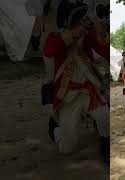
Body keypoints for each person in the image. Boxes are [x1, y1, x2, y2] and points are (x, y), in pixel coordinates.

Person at [42, 1, 109, 163]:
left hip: (89, 92)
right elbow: (49, 51)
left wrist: (100, 31)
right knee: (66, 148)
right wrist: (72, 34)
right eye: (78, 19)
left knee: (105, 116)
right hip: (68, 96)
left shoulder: (87, 36)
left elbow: (105, 52)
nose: (82, 22)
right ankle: (56, 129)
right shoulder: (56, 37)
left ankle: (106, 143)